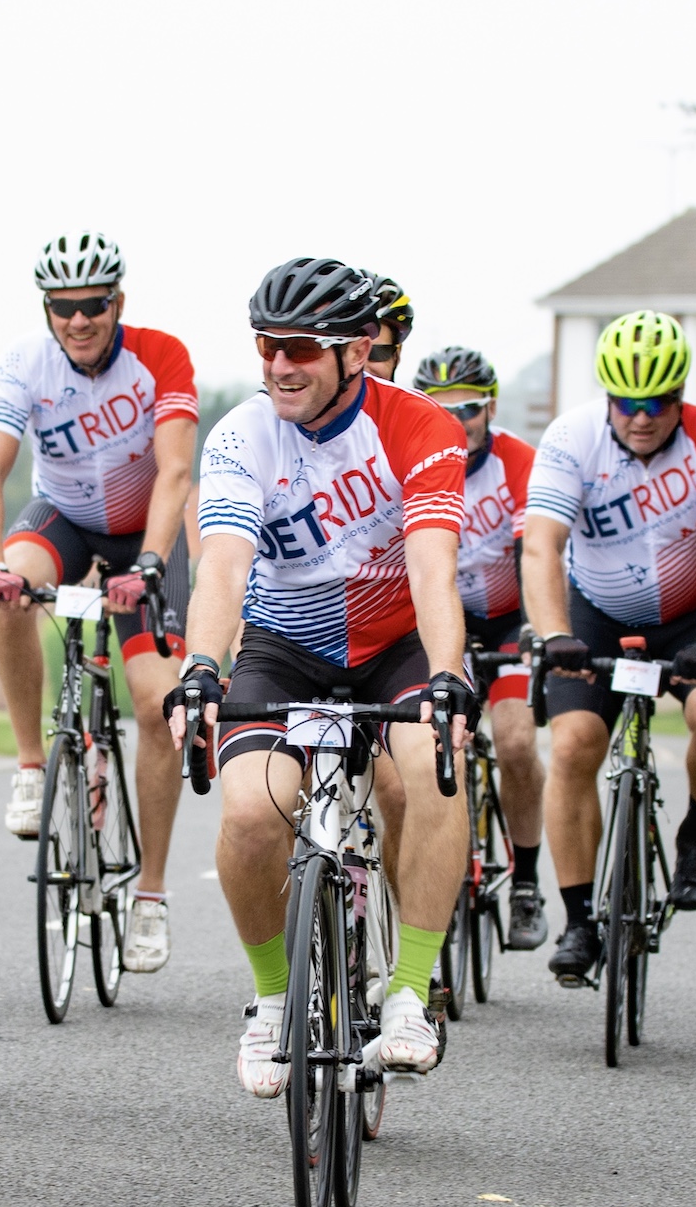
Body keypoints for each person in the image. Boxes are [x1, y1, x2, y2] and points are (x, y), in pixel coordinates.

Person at [166, 257, 475, 1098]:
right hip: (286, 644)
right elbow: (222, 570)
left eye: (300, 347)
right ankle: (271, 1002)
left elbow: (432, 566)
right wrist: (201, 667)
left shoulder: (420, 428)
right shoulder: (241, 435)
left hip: (396, 641)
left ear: (358, 349)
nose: (278, 366)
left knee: (429, 779)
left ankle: (410, 992)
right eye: (267, 345)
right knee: (251, 814)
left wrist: (447, 677)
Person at [0, 230, 198, 973]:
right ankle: (33, 765)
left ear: (117, 303)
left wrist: (155, 563)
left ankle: (152, 898)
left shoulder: (160, 355)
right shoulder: (25, 366)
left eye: (92, 306)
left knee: (158, 707)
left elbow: (173, 472)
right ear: (46, 310)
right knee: (10, 588)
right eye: (62, 308)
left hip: (143, 535)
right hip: (62, 518)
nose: (78, 321)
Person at [522, 310, 696, 983]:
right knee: (572, 746)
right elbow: (542, 544)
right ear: (607, 397)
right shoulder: (571, 440)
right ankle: (577, 922)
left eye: (659, 403)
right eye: (628, 403)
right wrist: (553, 634)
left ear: (681, 397)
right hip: (593, 613)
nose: (643, 417)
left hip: (692, 619)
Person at [410, 346, 549, 950]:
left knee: (516, 741)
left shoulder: (519, 461)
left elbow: (532, 554)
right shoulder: (410, 455)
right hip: (445, 620)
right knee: (439, 742)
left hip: (508, 616)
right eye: (441, 410)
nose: (457, 422)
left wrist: (534, 630)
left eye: (468, 409)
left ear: (489, 408)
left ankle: (526, 881)